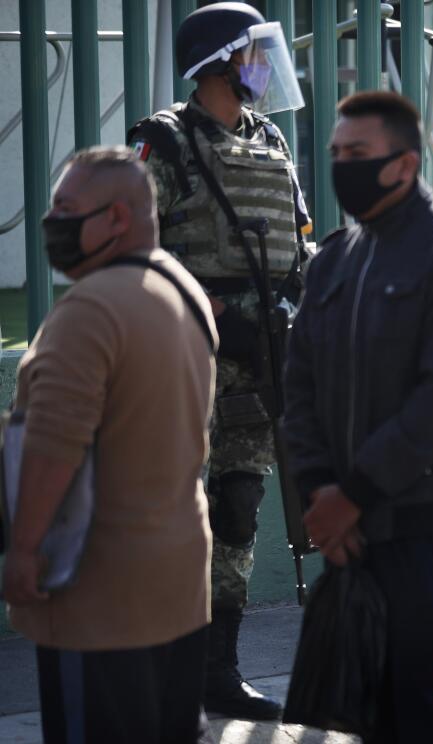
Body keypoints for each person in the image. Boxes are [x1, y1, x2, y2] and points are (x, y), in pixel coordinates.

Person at [284, 90, 433, 744]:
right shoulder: (332, 260)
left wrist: (353, 494)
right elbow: (299, 388)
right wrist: (320, 490)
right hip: (346, 521)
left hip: (422, 518)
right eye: (335, 154)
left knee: (426, 694)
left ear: (404, 165)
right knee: (373, 702)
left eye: (358, 153)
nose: (341, 165)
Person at [127, 1, 311, 719]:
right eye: (253, 53)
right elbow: (129, 252)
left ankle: (217, 671)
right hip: (182, 357)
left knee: (237, 505)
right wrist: (208, 315)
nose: (264, 67)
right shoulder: (165, 144)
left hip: (257, 360)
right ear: (221, 62)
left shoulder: (269, 141)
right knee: (165, 513)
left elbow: (297, 244)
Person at [2, 146, 216, 743]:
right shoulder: (182, 290)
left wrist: (23, 551)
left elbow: (55, 442)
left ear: (117, 218)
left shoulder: (88, 311)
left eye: (67, 209)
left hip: (98, 601)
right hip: (177, 585)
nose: (54, 223)